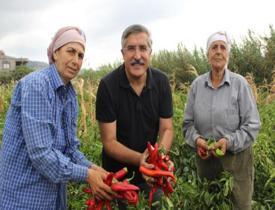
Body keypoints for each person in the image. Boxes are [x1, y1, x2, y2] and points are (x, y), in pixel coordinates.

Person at [0, 26, 114, 210]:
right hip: (23, 198)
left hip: (51, 199)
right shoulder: (37, 86)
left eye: (80, 55)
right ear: (55, 53)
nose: (76, 60)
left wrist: (94, 169)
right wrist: (87, 175)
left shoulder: (69, 94)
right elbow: (41, 154)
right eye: (71, 52)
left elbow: (70, 149)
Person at [96, 24, 174, 208]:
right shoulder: (108, 86)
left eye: (143, 48)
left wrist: (159, 159)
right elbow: (109, 142)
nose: (137, 56)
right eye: (131, 48)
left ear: (150, 53)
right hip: (118, 178)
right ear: (122, 53)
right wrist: (141, 160)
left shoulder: (162, 82)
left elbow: (167, 128)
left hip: (152, 176)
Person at [183, 31, 261, 210]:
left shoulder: (239, 84)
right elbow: (187, 125)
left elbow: (253, 124)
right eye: (214, 47)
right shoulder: (197, 86)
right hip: (207, 164)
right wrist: (198, 141)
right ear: (207, 53)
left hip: (237, 164)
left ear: (228, 54)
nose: (218, 51)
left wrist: (229, 141)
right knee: (210, 204)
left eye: (222, 47)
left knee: (238, 205)